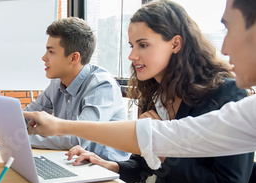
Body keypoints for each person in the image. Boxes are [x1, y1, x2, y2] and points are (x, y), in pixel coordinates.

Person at [23, 0, 256, 171]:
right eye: (131, 45)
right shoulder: (155, 92)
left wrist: (163, 153)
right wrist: (110, 165)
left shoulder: (226, 94)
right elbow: (143, 164)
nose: (132, 56)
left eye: (143, 45)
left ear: (175, 44)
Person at [0, 17, 130, 161]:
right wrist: (1, 127)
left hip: (104, 171)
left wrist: (14, 137)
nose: (44, 57)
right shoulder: (57, 82)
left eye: (51, 52)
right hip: (72, 161)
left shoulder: (101, 86)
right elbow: (28, 117)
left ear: (73, 58)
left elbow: (76, 139)